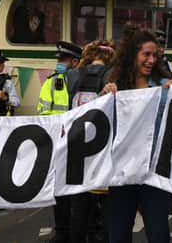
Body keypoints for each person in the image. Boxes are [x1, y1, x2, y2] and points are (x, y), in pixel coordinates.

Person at [101, 24, 172, 243]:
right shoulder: (115, 86)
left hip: (152, 173)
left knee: (158, 233)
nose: (151, 60)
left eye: (155, 55)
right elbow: (97, 122)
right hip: (122, 172)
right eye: (146, 54)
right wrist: (103, 96)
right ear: (133, 55)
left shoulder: (164, 86)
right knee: (118, 233)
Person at [63, 40, 115, 243]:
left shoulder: (72, 75)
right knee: (105, 206)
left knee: (79, 206)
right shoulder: (112, 77)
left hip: (75, 145)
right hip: (101, 147)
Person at [36, 41, 82, 243]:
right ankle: (62, 232)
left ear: (75, 61)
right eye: (59, 60)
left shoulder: (84, 81)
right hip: (58, 144)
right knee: (60, 192)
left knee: (80, 193)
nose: (59, 63)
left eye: (63, 60)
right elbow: (42, 111)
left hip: (81, 144)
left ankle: (79, 231)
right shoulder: (52, 82)